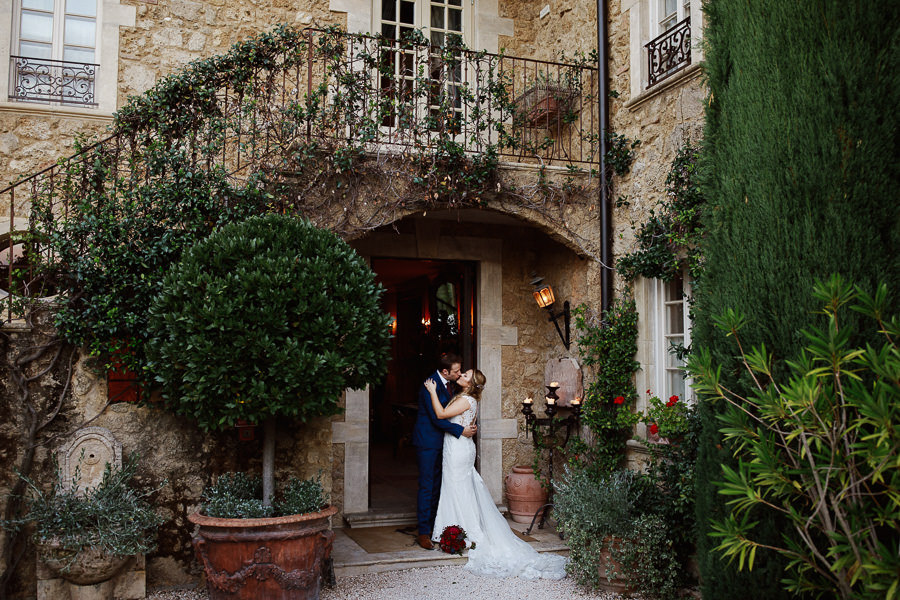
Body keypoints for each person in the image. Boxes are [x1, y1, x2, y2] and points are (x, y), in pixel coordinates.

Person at [424, 370, 568, 579]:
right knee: (457, 489)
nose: (462, 374)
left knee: (459, 489)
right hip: (456, 446)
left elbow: (440, 415)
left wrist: (431, 392)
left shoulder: (466, 399)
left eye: (466, 375)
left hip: (458, 450)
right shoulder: (465, 397)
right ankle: (454, 531)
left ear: (470, 384)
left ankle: (466, 534)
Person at [412, 353, 477, 550]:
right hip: (428, 443)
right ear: (445, 372)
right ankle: (424, 532)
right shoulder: (429, 385)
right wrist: (461, 430)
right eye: (456, 371)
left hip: (446, 445)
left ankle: (435, 527)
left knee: (439, 487)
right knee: (427, 486)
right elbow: (437, 418)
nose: (459, 374)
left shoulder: (453, 386)